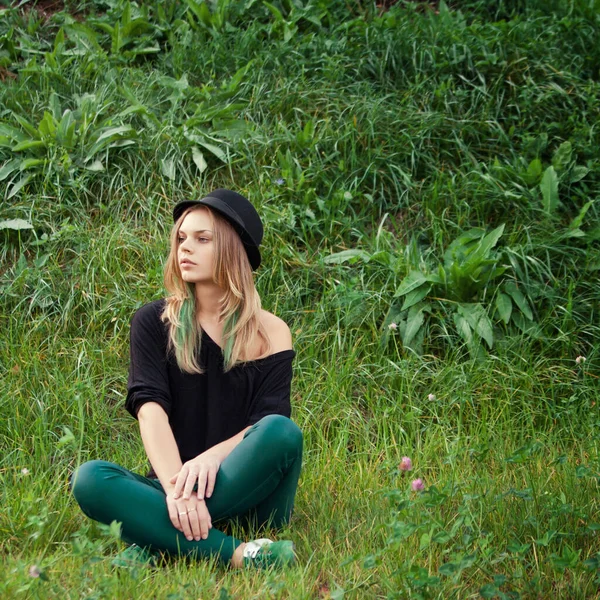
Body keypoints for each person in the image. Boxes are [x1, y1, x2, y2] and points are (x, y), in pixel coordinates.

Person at [71, 189, 303, 569]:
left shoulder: (272, 332)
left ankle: (154, 536)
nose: (185, 248)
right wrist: (178, 490)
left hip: (250, 492)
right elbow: (150, 413)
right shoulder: (153, 321)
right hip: (173, 482)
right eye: (181, 238)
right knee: (90, 478)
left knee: (282, 431)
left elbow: (266, 429)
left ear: (232, 250)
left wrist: (210, 459)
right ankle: (240, 553)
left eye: (202, 239)